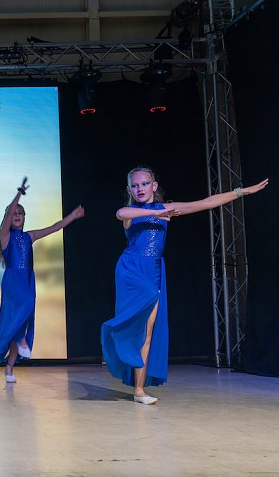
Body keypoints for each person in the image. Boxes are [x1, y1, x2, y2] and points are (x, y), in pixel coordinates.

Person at [101, 166, 268, 404]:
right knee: (144, 308)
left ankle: (139, 391)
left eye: (145, 184)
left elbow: (207, 202)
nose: (140, 189)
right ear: (129, 188)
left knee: (146, 332)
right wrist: (156, 215)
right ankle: (116, 339)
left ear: (154, 186)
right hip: (131, 269)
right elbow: (120, 212)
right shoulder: (132, 213)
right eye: (135, 185)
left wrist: (243, 191)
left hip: (155, 270)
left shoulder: (166, 207)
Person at [0, 177, 84, 382]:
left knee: (24, 318)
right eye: (14, 213)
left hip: (28, 279)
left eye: (20, 213)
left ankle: (10, 367)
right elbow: (6, 217)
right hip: (13, 280)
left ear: (24, 217)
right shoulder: (5, 237)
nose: (17, 216)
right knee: (19, 316)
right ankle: (21, 340)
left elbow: (55, 227)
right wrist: (19, 193)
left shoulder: (29, 236)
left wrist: (73, 216)